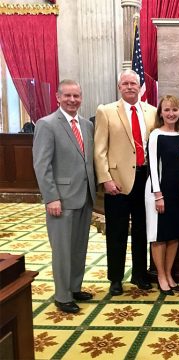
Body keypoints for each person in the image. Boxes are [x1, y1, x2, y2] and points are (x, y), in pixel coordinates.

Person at [33, 80, 96, 313]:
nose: (72, 100)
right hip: (61, 198)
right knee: (62, 249)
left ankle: (74, 287)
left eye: (76, 96)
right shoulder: (47, 124)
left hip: (84, 196)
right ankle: (62, 295)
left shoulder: (87, 125)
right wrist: (51, 197)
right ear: (58, 97)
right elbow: (42, 165)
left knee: (79, 247)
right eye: (67, 96)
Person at [94, 69, 156, 296]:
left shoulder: (152, 111)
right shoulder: (106, 111)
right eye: (125, 83)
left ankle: (140, 274)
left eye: (134, 83)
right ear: (119, 87)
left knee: (142, 230)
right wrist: (106, 179)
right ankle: (116, 278)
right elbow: (99, 150)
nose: (130, 87)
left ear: (140, 87)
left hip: (144, 180)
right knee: (117, 232)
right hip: (117, 183)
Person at [145, 95, 179, 295]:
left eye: (174, 110)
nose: (171, 114)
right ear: (160, 113)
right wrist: (158, 195)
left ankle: (169, 274)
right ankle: (161, 275)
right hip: (159, 192)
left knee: (174, 235)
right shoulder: (155, 135)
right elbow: (153, 167)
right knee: (159, 236)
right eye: (167, 110)